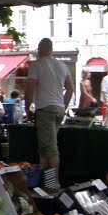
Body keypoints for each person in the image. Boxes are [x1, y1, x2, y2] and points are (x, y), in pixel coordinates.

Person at [24, 38, 74, 186]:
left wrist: (27, 108)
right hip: (58, 108)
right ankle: (44, 182)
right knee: (45, 148)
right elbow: (70, 88)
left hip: (45, 109)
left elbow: (30, 88)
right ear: (51, 49)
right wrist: (63, 107)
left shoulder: (37, 65)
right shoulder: (62, 65)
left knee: (51, 149)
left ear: (40, 49)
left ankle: (53, 184)